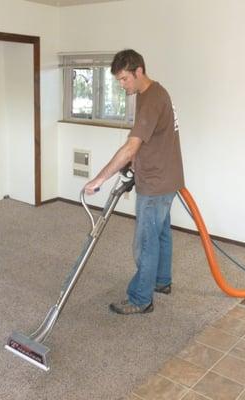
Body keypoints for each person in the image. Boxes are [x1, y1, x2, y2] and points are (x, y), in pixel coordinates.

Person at [84, 49, 185, 315]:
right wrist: (134, 162)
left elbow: (131, 147)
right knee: (161, 233)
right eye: (118, 80)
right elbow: (150, 139)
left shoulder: (151, 99)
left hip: (155, 183)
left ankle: (141, 298)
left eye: (124, 79)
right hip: (168, 177)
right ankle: (161, 282)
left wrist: (99, 179)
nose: (121, 85)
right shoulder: (151, 93)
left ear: (139, 71)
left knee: (146, 242)